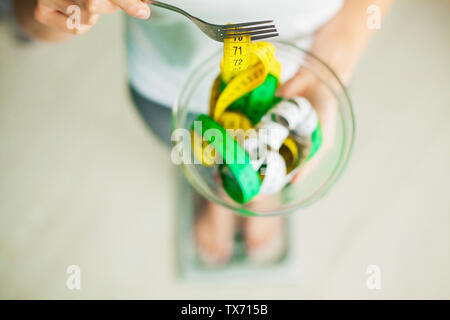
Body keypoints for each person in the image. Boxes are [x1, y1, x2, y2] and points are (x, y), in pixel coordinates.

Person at [11, 0, 392, 265]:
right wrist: (64, 10)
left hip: (305, 76)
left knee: (250, 170)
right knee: (194, 154)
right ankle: (224, 192)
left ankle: (253, 193)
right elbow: (27, 19)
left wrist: (333, 67)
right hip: (168, 86)